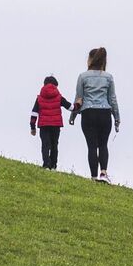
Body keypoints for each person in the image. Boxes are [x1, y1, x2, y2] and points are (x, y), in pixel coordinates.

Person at [68, 47, 119, 182]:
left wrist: (73, 116)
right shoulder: (108, 77)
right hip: (104, 113)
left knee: (91, 146)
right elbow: (112, 99)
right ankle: (103, 173)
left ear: (90, 60)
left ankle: (93, 176)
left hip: (88, 113)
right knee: (103, 144)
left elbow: (79, 98)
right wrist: (117, 118)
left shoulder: (83, 76)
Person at [28, 75, 74, 170]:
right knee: (54, 145)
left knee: (45, 144)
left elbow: (34, 113)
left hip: (44, 125)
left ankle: (46, 165)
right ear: (55, 85)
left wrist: (32, 127)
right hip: (56, 125)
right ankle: (53, 166)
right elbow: (70, 107)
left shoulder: (39, 98)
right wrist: (79, 104)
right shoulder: (59, 97)